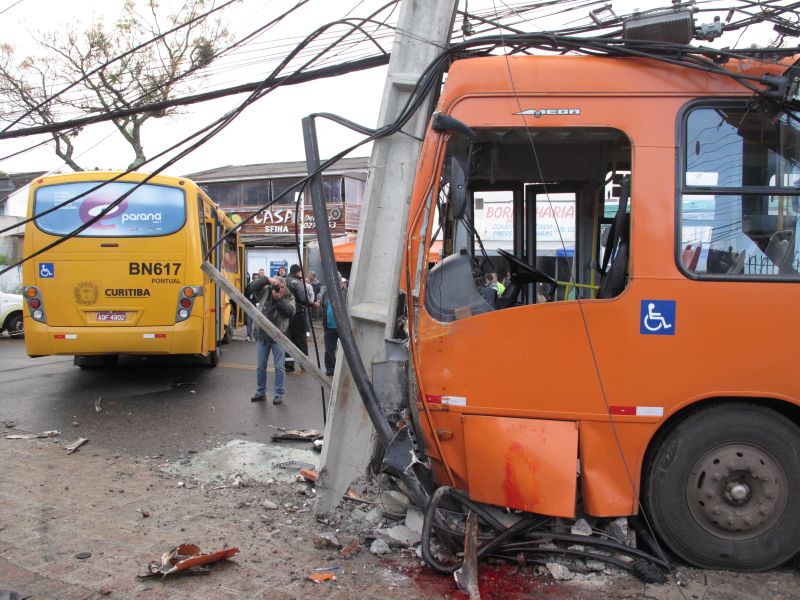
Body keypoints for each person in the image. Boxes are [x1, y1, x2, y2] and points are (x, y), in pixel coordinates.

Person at [245, 274, 295, 404]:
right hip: (262, 335)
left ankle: (278, 393)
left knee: (279, 367)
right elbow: (250, 288)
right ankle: (261, 392)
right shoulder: (266, 290)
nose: (279, 289)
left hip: (278, 336)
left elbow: (290, 312)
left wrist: (279, 299)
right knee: (261, 367)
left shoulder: (289, 296)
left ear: (285, 287)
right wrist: (267, 280)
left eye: (282, 287)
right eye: (277, 286)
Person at [285, 264, 319, 371]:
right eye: (300, 272)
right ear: (297, 272)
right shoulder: (297, 282)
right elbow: (302, 299)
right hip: (297, 314)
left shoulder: (284, 281)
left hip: (286, 314)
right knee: (301, 339)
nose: (301, 274)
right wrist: (312, 304)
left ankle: (288, 365)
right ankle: (304, 364)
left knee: (288, 339)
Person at [318, 273, 347, 376]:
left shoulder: (346, 292)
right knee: (329, 349)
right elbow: (321, 303)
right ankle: (330, 369)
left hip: (343, 327)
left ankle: (344, 370)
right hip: (329, 326)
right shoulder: (326, 291)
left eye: (337, 281)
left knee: (346, 350)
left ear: (340, 282)